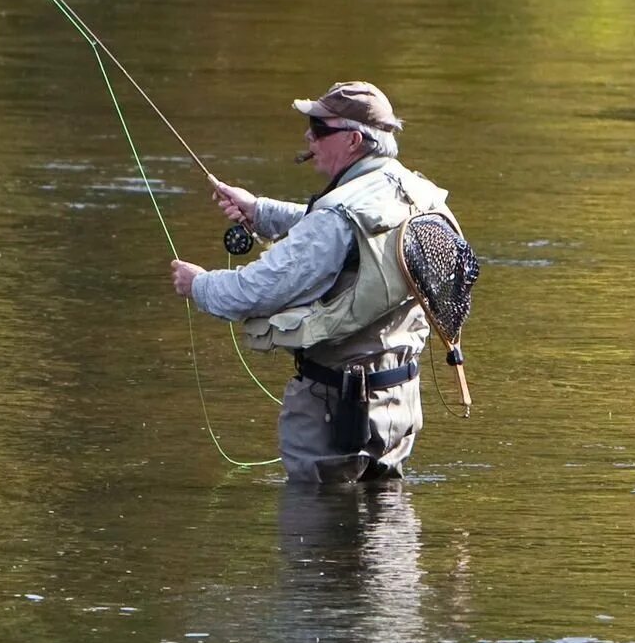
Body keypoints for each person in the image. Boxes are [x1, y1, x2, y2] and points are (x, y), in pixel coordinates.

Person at [167, 80, 452, 485]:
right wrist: (261, 211)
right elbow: (356, 240)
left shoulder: (337, 217)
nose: (308, 136)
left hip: (334, 410)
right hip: (399, 403)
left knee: (316, 536)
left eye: (319, 129)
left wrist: (198, 284)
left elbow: (256, 290)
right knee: (387, 536)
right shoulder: (413, 191)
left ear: (353, 140)